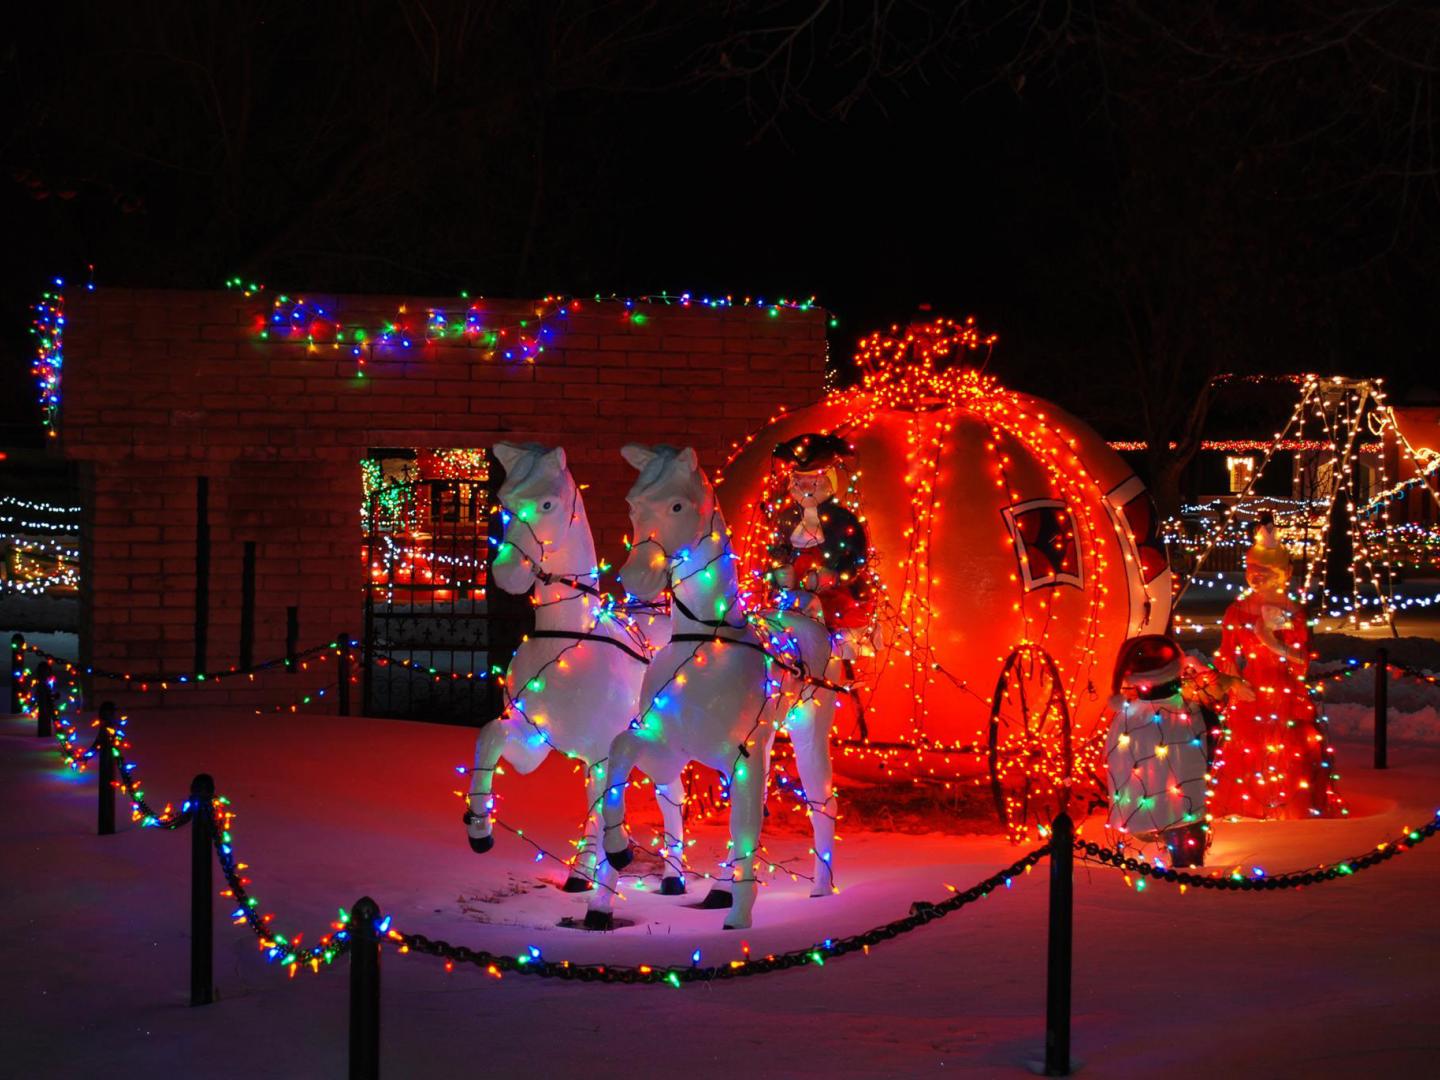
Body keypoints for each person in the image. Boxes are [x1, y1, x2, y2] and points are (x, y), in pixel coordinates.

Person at [1209, 513, 1341, 819]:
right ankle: (1249, 805)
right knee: (1247, 747)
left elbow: (1302, 658)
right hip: (1250, 688)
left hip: (1284, 688)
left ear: (1282, 572)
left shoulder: (1292, 610)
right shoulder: (1237, 610)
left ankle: (1287, 805)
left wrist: (1271, 641)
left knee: (1287, 745)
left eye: (1264, 570)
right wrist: (1233, 682)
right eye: (1252, 569)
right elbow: (1226, 653)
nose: (1257, 576)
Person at [1103, 635, 1214, 866]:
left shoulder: (1125, 719)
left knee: (1173, 804)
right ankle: (1188, 863)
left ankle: (1178, 853)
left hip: (1148, 807)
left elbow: (1118, 763)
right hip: (1185, 807)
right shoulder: (1190, 714)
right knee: (1184, 817)